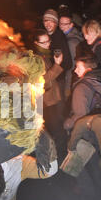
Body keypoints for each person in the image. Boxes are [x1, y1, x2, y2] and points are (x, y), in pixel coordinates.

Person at [32, 29, 67, 164]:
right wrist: (57, 65)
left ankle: (58, 156)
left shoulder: (45, 55)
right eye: (44, 42)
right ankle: (58, 158)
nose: (48, 44)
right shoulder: (36, 59)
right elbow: (43, 81)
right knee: (55, 130)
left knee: (57, 128)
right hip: (47, 101)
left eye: (48, 41)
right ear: (36, 43)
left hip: (52, 99)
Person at [63, 53, 101, 131]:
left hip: (85, 130)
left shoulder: (81, 88)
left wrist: (67, 124)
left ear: (88, 69)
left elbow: (80, 116)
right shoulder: (99, 79)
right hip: (99, 124)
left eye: (78, 68)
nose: (75, 70)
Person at [59, 12, 84, 100]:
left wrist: (68, 86)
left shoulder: (71, 42)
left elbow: (72, 65)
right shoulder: (68, 36)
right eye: (60, 23)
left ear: (71, 25)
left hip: (71, 79)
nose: (62, 26)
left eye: (65, 24)